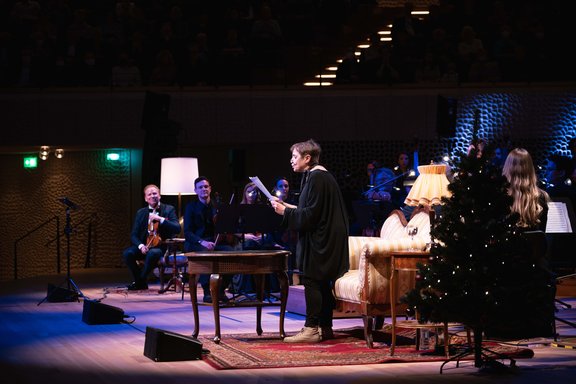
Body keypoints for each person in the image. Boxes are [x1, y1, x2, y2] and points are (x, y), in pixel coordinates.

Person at [270, 139, 349, 343]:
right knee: (321, 283)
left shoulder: (317, 178)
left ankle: (311, 329)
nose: (291, 161)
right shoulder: (318, 177)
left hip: (321, 240)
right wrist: (286, 206)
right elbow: (310, 210)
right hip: (325, 237)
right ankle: (325, 327)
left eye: (294, 156)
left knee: (312, 280)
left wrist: (284, 212)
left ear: (307, 158)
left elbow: (310, 216)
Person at [183, 176, 235, 303]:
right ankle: (207, 291)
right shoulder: (191, 207)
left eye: (206, 186)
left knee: (232, 254)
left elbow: (224, 227)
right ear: (195, 190)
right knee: (206, 254)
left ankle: (221, 290)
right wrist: (202, 242)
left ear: (210, 189)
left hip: (215, 242)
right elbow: (188, 232)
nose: (204, 189)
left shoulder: (217, 206)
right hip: (197, 243)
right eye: (200, 187)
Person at [122, 184, 181, 290]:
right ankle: (141, 281)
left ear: (159, 195)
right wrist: (140, 246)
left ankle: (140, 281)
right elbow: (134, 234)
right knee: (128, 253)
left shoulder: (169, 209)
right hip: (145, 246)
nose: (152, 196)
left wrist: (161, 219)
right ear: (145, 198)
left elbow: (177, 228)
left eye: (155, 193)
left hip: (161, 247)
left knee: (154, 253)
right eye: (149, 194)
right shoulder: (141, 212)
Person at [502, 148, 550, 231]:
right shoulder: (542, 197)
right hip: (533, 243)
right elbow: (540, 234)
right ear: (530, 169)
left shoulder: (499, 195)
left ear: (507, 167)